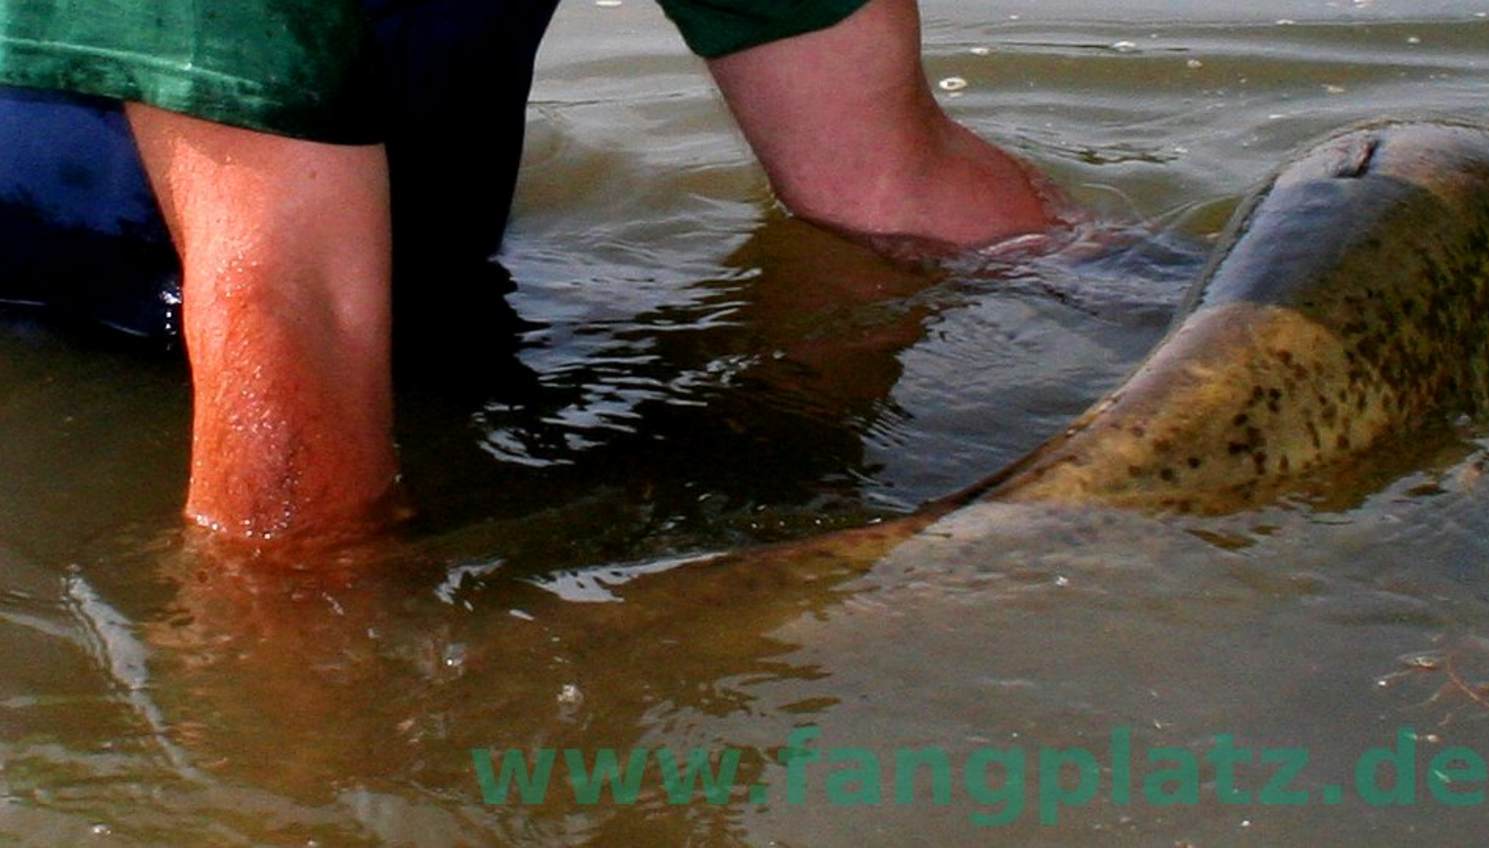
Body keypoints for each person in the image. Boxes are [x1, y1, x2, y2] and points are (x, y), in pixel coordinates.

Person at [0, 0, 1067, 548]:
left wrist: (1140, 313)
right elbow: (289, 308)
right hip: (66, 320)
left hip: (404, 267)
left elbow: (894, 179)